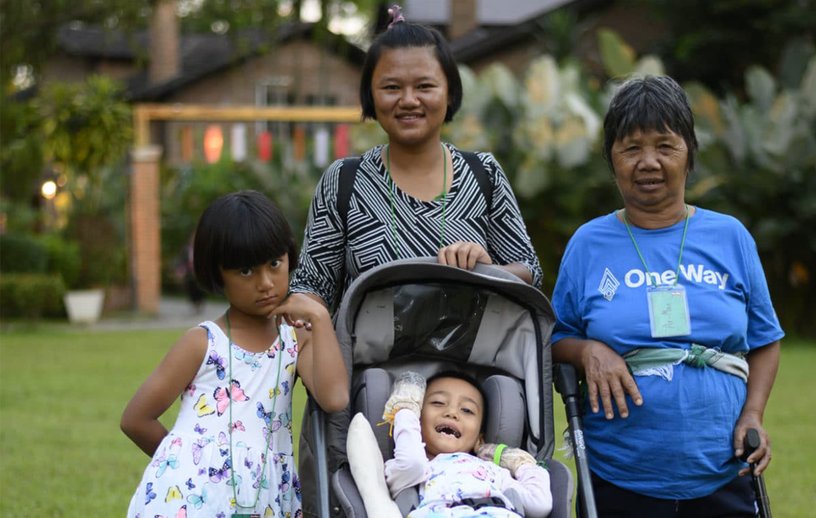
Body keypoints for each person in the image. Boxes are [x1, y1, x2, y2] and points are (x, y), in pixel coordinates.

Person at [273, 6, 542, 514]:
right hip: (366, 395)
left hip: (467, 392)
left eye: (425, 86)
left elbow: (528, 270)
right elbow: (311, 287)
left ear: (450, 92)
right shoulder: (346, 181)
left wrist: (487, 265)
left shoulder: (482, 174)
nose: (409, 100)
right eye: (391, 87)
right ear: (370, 96)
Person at [550, 76, 783, 517]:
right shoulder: (588, 243)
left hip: (723, 469)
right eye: (631, 148)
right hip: (617, 474)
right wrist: (589, 351)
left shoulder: (730, 237)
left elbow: (766, 339)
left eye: (665, 145)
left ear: (689, 153)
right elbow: (557, 337)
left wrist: (753, 414)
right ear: (611, 158)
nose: (649, 162)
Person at [121, 190, 349, 517]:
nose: (265, 283)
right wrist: (188, 463)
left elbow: (335, 397)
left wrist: (320, 316)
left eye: (274, 264)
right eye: (245, 272)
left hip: (266, 497)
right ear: (218, 274)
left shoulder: (296, 339)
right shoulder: (203, 343)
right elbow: (135, 419)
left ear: (289, 256)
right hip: (192, 499)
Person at [381, 371, 552, 518]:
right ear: (416, 420)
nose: (452, 413)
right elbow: (412, 462)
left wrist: (521, 463)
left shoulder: (493, 471)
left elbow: (539, 503)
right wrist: (405, 409)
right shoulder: (407, 469)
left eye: (467, 410)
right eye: (438, 402)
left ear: (479, 439)